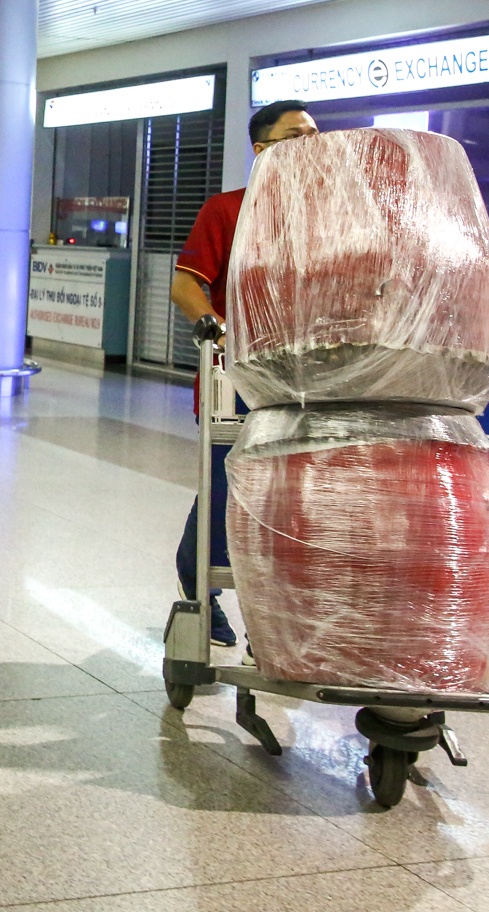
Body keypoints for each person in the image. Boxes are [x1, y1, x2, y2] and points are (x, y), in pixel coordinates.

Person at [169, 99, 318, 646]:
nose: (311, 142)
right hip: (239, 375)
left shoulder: (328, 218)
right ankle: (199, 581)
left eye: (315, 133)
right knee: (225, 483)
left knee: (291, 495)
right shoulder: (227, 210)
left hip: (307, 377)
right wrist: (224, 333)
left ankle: (274, 608)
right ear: (262, 150)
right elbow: (186, 286)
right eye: (296, 135)